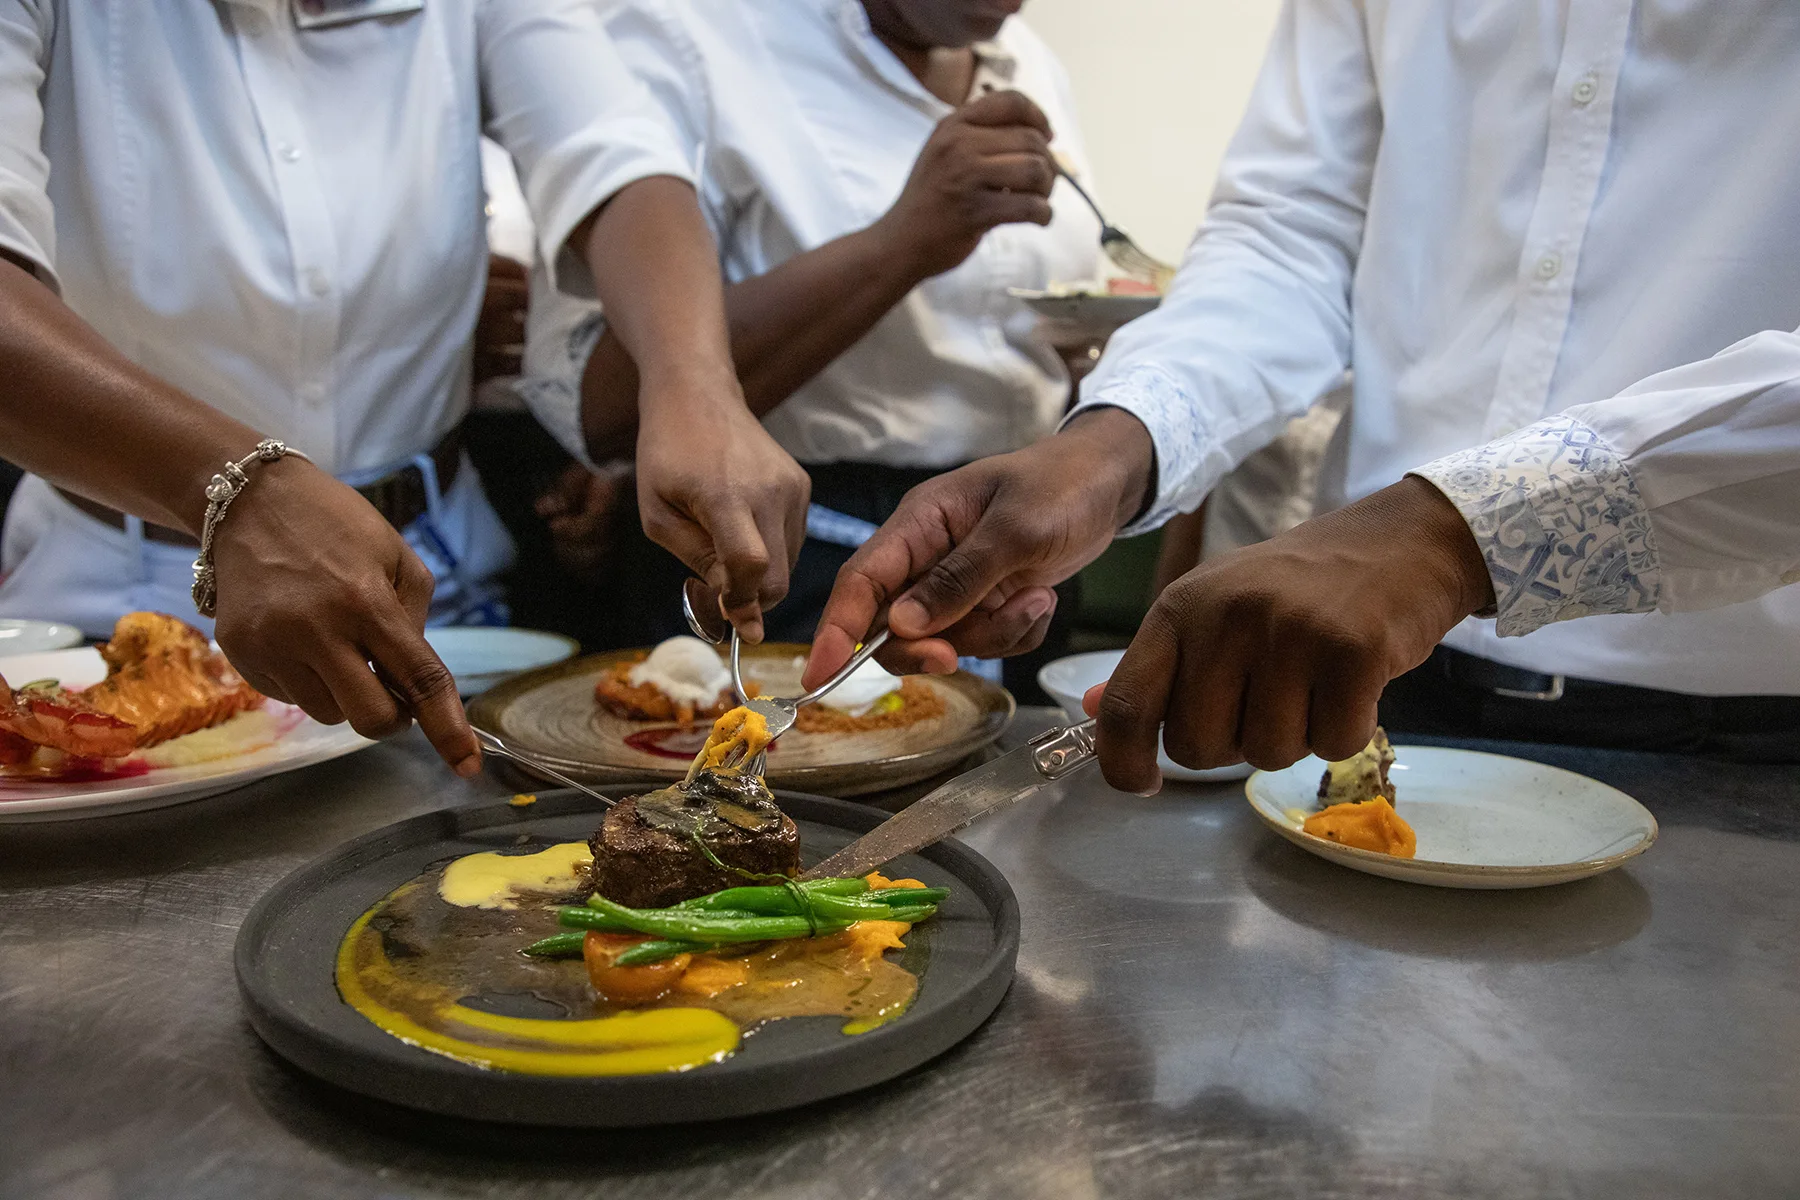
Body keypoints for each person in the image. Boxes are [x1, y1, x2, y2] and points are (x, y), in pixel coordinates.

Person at [803, 0, 1800, 786]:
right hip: (1374, 698)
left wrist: (1462, 534)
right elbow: (1295, 229)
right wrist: (1109, 450)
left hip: (1746, 741)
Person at [0, 0, 806, 773]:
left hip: (440, 612)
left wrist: (696, 386)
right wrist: (236, 494)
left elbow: (617, 160)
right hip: (109, 608)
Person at [514, 0, 1102, 664]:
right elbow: (603, 408)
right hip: (794, 571)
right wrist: (901, 244)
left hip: (1014, 562)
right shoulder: (688, 40)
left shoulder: (1028, 62)